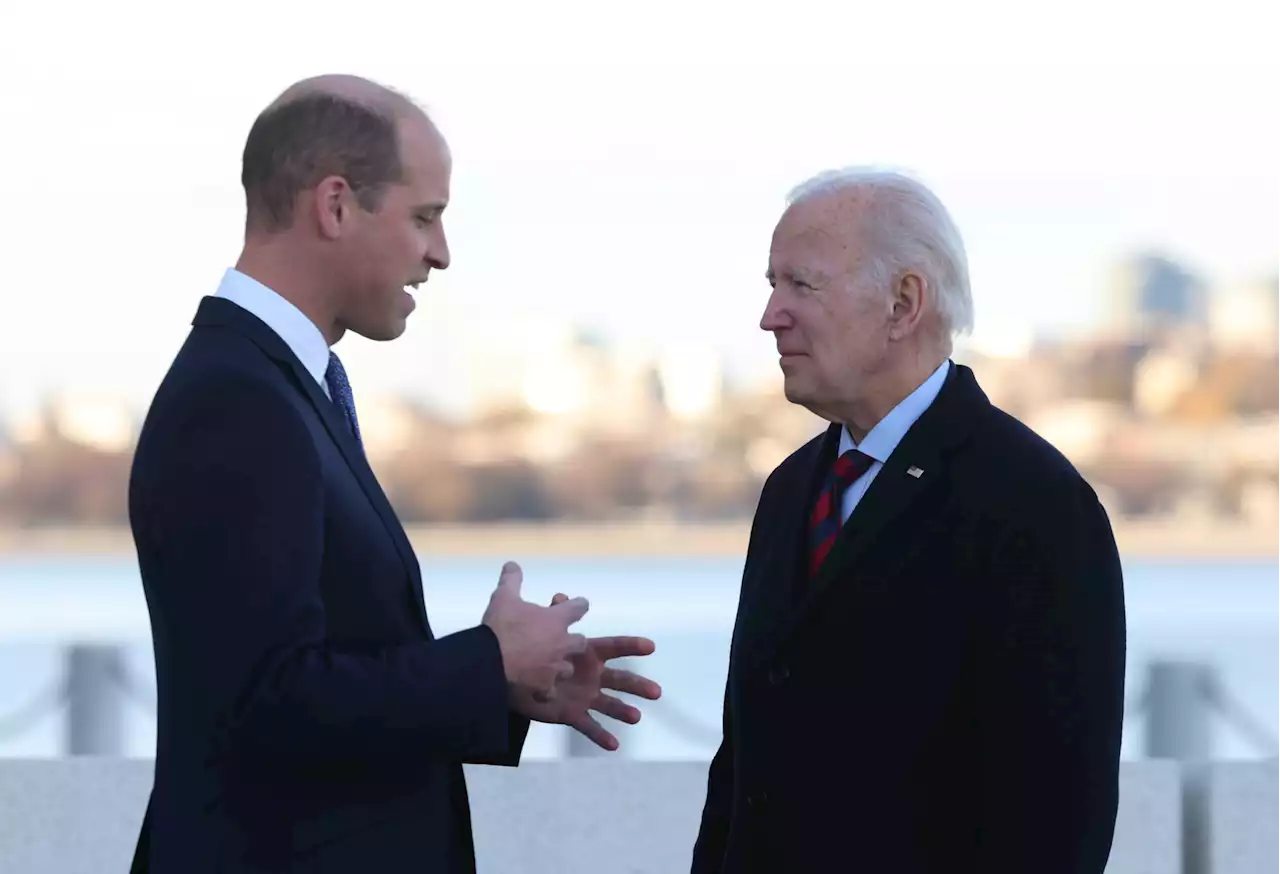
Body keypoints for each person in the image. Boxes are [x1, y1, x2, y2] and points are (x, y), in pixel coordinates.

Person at [127, 74, 661, 874]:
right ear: (335, 206)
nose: (440, 254)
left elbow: (308, 679)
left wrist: (501, 684)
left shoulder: (279, 385)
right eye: (425, 217)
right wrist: (484, 662)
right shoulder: (238, 400)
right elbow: (269, 703)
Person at [691, 168, 1126, 873]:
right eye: (772, 285)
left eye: (801, 285)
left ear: (903, 303)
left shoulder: (1032, 503)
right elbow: (744, 773)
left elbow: (1053, 819)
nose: (771, 315)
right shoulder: (790, 491)